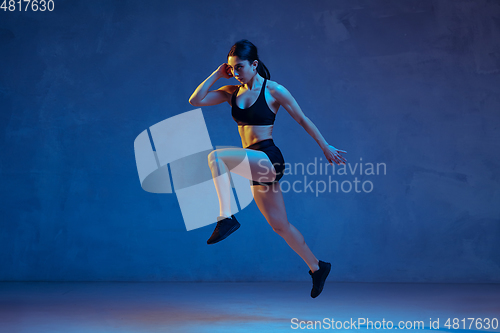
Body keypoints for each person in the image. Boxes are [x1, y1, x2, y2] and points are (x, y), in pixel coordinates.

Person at [188, 39, 347, 298]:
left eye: (239, 67)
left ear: (254, 64)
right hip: (253, 164)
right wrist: (218, 74)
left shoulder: (273, 90)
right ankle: (317, 267)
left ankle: (225, 217)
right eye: (231, 69)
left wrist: (325, 146)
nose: (236, 73)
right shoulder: (232, 92)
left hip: (268, 158)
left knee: (217, 158)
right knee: (280, 226)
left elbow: (302, 119)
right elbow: (196, 100)